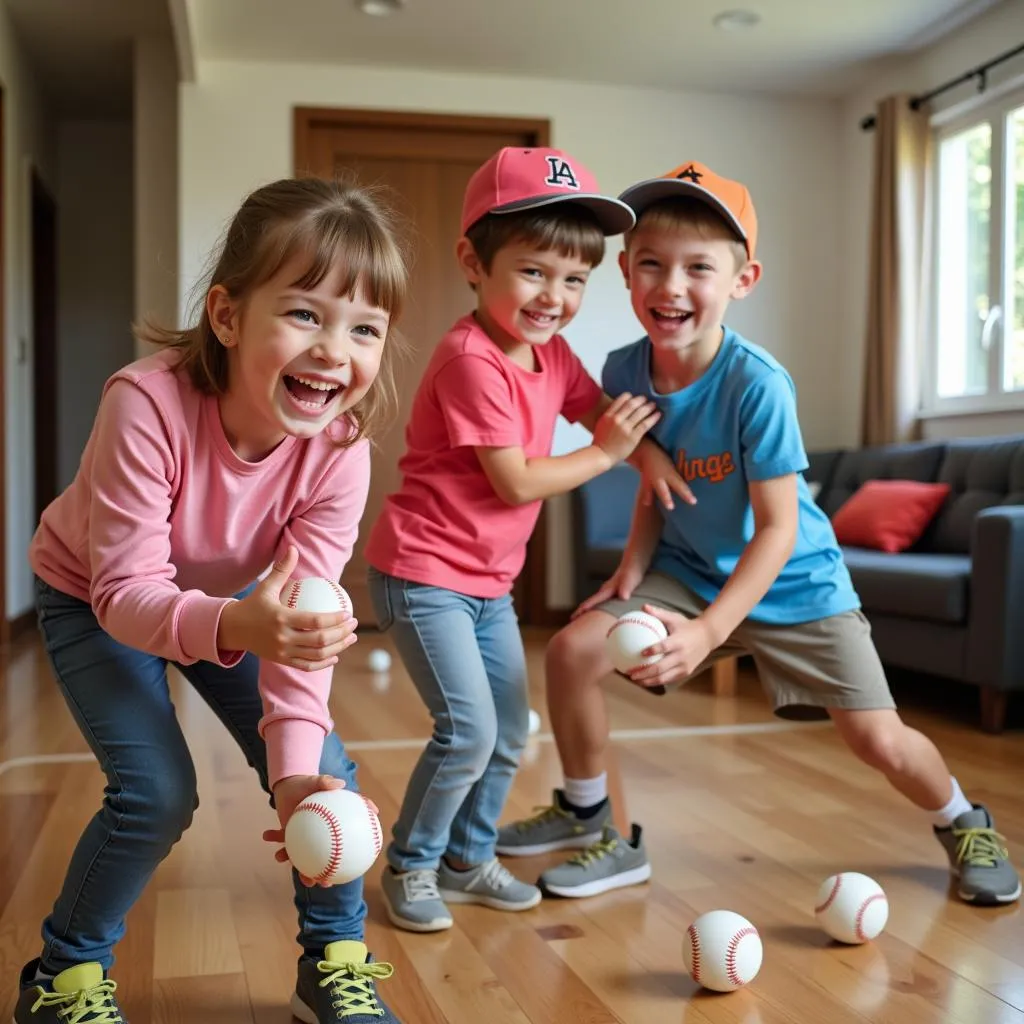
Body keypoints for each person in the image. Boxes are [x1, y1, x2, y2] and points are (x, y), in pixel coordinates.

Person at [495, 160, 1021, 908]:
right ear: (626, 272)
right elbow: (658, 484)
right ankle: (588, 820)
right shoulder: (624, 367)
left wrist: (710, 633)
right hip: (686, 572)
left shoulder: (757, 384)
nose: (670, 287)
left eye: (697, 268)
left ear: (742, 280)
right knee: (575, 650)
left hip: (795, 584)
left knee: (878, 740)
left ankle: (964, 822)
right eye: (651, 264)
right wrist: (631, 574)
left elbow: (777, 531)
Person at [15, 177, 409, 1024]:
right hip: (92, 594)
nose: (336, 351)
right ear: (227, 317)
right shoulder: (145, 402)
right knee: (156, 794)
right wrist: (235, 623)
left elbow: (299, 626)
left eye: (365, 328)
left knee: (325, 775)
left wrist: (299, 778)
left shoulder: (342, 450)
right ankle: (62, 974)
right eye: (305, 314)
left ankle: (332, 961)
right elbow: (126, 592)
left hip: (234, 601)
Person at [364, 146, 695, 933]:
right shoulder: (469, 361)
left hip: (486, 583)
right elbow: (514, 480)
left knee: (510, 729)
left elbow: (594, 406)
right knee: (469, 730)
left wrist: (646, 458)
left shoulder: (548, 354)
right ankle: (411, 866)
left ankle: (466, 860)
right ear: (473, 263)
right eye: (534, 272)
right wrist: (609, 455)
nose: (555, 296)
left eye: (574, 279)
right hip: (423, 576)